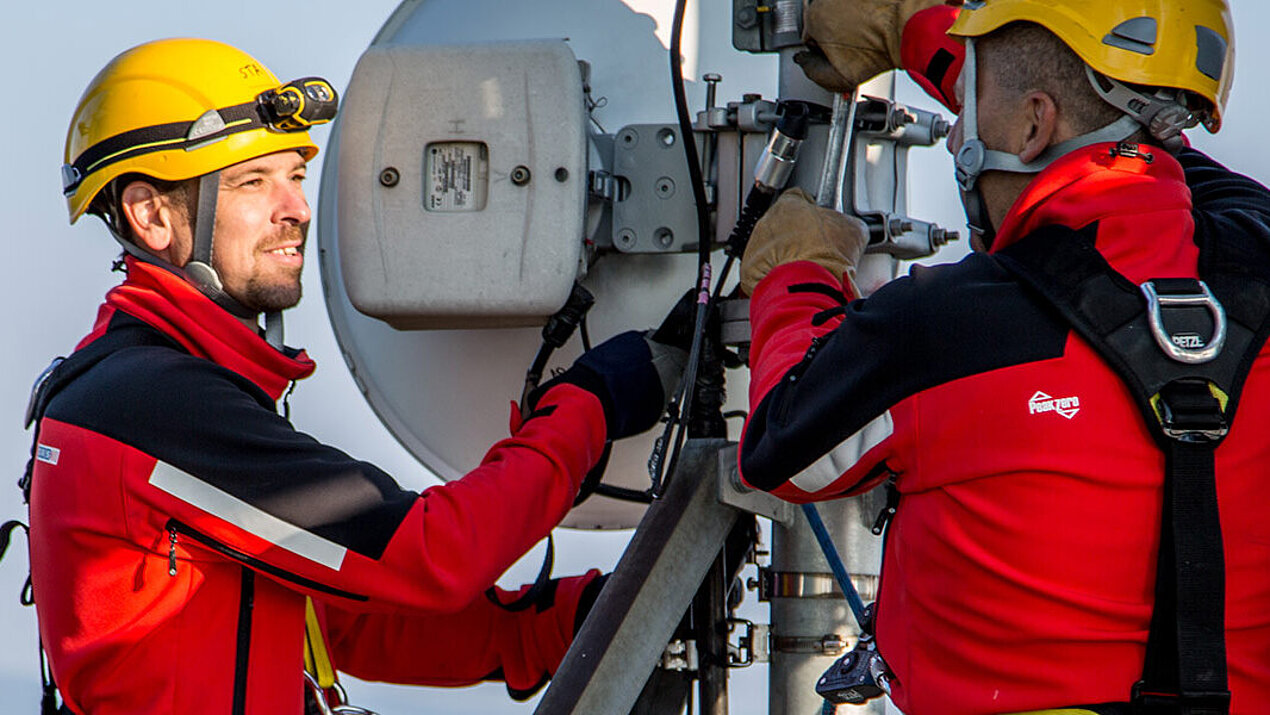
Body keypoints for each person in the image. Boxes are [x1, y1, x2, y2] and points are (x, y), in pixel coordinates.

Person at [25, 38, 679, 714]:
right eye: (255, 182)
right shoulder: (153, 403)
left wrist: (563, 623)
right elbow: (431, 554)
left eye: (296, 177)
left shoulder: (142, 385)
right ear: (152, 214)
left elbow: (341, 619)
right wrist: (589, 404)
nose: (298, 210)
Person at [738, 1, 1270, 713]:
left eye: (972, 106)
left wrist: (796, 274)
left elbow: (782, 444)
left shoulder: (938, 328)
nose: (959, 130)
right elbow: (1145, 156)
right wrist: (920, 32)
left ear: (1034, 123)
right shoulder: (1257, 257)